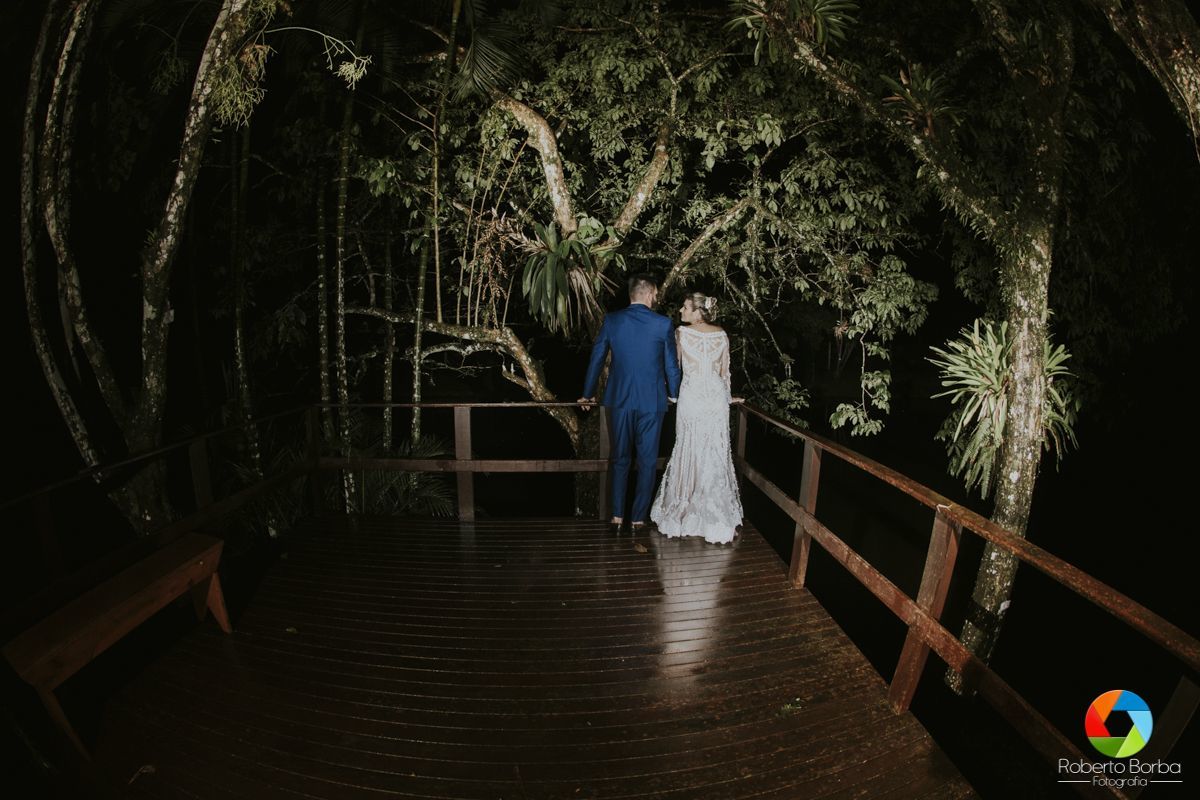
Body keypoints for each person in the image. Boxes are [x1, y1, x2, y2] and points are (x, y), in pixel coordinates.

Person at [579, 273, 682, 533]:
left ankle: (616, 516)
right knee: (647, 461)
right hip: (652, 402)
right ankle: (637, 519)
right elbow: (671, 365)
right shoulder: (663, 324)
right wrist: (674, 395)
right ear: (648, 293)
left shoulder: (612, 321)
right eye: (655, 293)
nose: (656, 297)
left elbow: (597, 357)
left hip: (619, 399)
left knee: (620, 458)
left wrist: (588, 393)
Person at [650, 292, 744, 544]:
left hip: (691, 396)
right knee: (714, 450)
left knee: (688, 447)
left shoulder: (681, 333)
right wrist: (728, 397)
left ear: (698, 311)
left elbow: (674, 368)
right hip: (715, 398)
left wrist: (670, 395)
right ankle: (716, 514)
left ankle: (685, 509)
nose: (681, 310)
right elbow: (724, 373)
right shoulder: (721, 334)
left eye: (685, 307)